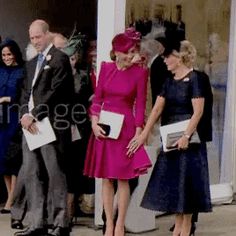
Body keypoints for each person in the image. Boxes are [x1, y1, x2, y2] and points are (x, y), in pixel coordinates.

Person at [127, 40, 212, 236]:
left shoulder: (196, 79)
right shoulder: (168, 81)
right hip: (171, 139)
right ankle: (178, 230)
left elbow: (198, 112)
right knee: (174, 186)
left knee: (188, 188)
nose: (164, 60)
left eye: (167, 57)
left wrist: (186, 136)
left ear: (180, 57)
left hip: (188, 140)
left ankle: (186, 229)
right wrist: (143, 134)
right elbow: (157, 108)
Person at [83, 28, 152, 236]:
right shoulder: (105, 68)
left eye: (135, 51)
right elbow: (97, 99)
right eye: (129, 51)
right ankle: (109, 225)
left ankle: (120, 225)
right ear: (118, 52)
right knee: (106, 178)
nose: (132, 55)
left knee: (123, 178)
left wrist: (139, 134)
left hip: (126, 128)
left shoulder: (140, 72)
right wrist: (94, 124)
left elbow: (140, 105)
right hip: (104, 126)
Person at [15, 19, 74, 236]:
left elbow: (55, 92)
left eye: (38, 36)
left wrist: (34, 114)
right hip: (29, 127)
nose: (35, 41)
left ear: (48, 34)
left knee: (55, 173)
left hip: (50, 124)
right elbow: (24, 92)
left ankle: (60, 223)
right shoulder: (30, 64)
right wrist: (23, 114)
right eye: (32, 38)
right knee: (32, 173)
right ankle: (36, 222)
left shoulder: (60, 59)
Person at [0, 39, 24, 214]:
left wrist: (8, 99)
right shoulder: (0, 71)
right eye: (3, 55)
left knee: (13, 158)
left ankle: (12, 199)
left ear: (15, 53)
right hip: (1, 119)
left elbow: (24, 96)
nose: (6, 57)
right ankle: (10, 195)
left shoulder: (22, 71)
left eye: (9, 54)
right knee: (2, 159)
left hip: (15, 117)